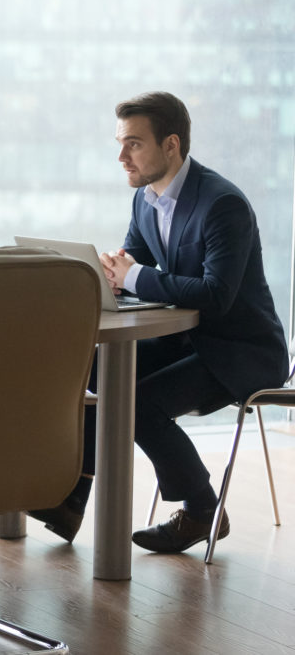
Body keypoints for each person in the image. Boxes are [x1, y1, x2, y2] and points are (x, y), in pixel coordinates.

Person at [30, 91, 288, 554]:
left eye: (134, 143)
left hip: (239, 351)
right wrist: (112, 275)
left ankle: (203, 510)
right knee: (84, 367)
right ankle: (69, 497)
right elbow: (138, 265)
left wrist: (136, 276)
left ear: (171, 145)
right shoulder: (146, 200)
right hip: (186, 342)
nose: (121, 156)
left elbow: (216, 295)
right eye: (120, 143)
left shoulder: (222, 203)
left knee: (134, 403)